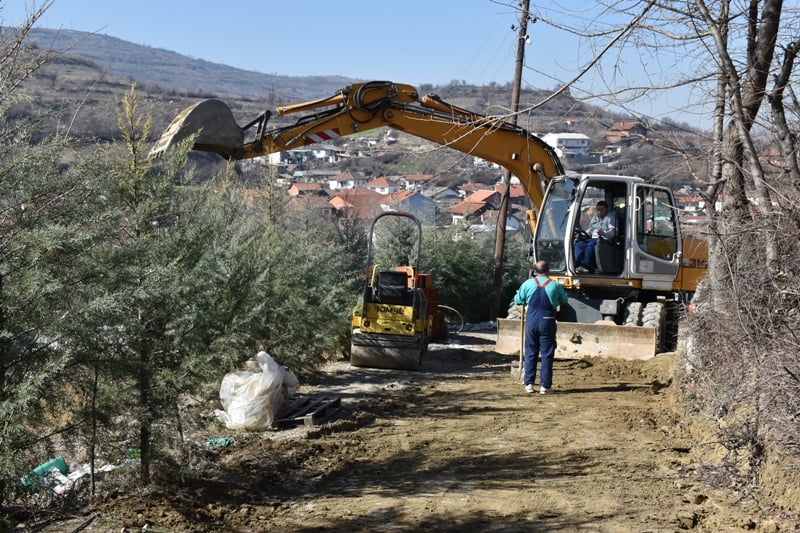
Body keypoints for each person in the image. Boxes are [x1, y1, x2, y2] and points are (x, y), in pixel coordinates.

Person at [513, 260, 568, 394]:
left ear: (535, 271)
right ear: (548, 271)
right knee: (547, 353)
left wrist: (519, 294)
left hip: (532, 320)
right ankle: (545, 386)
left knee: (531, 351)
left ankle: (529, 384)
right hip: (547, 320)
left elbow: (518, 300)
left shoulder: (527, 284)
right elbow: (564, 300)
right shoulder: (555, 285)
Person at [574, 200, 616, 274]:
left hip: (604, 240)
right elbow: (590, 230)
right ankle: (579, 265)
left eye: (601, 210)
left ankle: (587, 266)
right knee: (579, 244)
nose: (599, 212)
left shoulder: (610, 218)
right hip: (592, 238)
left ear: (606, 209)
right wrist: (581, 233)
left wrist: (603, 233)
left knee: (590, 246)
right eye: (598, 210)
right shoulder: (595, 218)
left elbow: (612, 232)